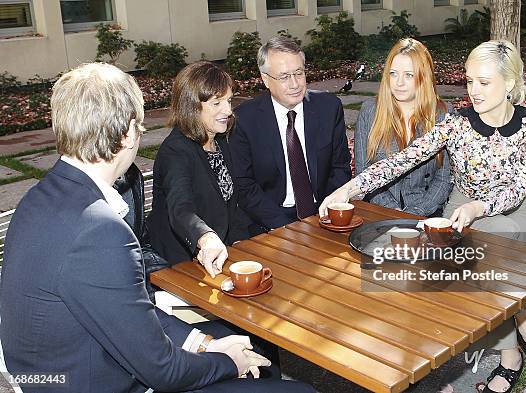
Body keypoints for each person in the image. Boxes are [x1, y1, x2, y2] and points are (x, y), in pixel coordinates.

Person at [0, 62, 314, 393]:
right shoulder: (101, 232)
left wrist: (202, 343)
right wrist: (229, 363)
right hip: (101, 380)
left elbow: (130, 312)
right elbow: (162, 370)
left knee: (238, 343)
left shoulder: (38, 199)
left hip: (61, 371)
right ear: (126, 134)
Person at [319, 41, 526, 393]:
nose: (473, 91)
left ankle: (513, 351)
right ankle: (522, 334)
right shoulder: (457, 123)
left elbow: (518, 189)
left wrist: (478, 208)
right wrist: (348, 190)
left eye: (484, 83)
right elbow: (402, 160)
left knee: (489, 248)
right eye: (470, 81)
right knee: (488, 261)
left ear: (509, 84)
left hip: (510, 209)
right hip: (462, 204)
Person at [230, 36, 352, 233]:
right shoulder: (244, 120)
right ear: (265, 79)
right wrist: (284, 227)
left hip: (321, 212)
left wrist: (325, 211)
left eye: (299, 73)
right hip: (268, 221)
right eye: (285, 76)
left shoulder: (329, 108)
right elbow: (244, 186)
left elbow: (340, 167)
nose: (295, 84)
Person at [147, 61, 252, 270]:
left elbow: (230, 204)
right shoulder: (175, 151)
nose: (228, 110)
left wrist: (242, 243)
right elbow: (181, 210)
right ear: (192, 106)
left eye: (229, 101)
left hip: (219, 253)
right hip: (179, 262)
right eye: (217, 103)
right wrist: (206, 237)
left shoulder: (219, 139)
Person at [354, 38, 453, 216]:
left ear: (424, 77)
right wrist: (394, 211)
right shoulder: (370, 111)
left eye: (409, 75)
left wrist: (416, 212)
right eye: (393, 73)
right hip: (379, 209)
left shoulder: (442, 115)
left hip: (426, 211)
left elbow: (444, 178)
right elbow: (363, 170)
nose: (398, 83)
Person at [114, 163, 168, 302]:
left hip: (137, 282)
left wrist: (164, 275)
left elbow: (140, 242)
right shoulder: (79, 193)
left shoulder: (132, 174)